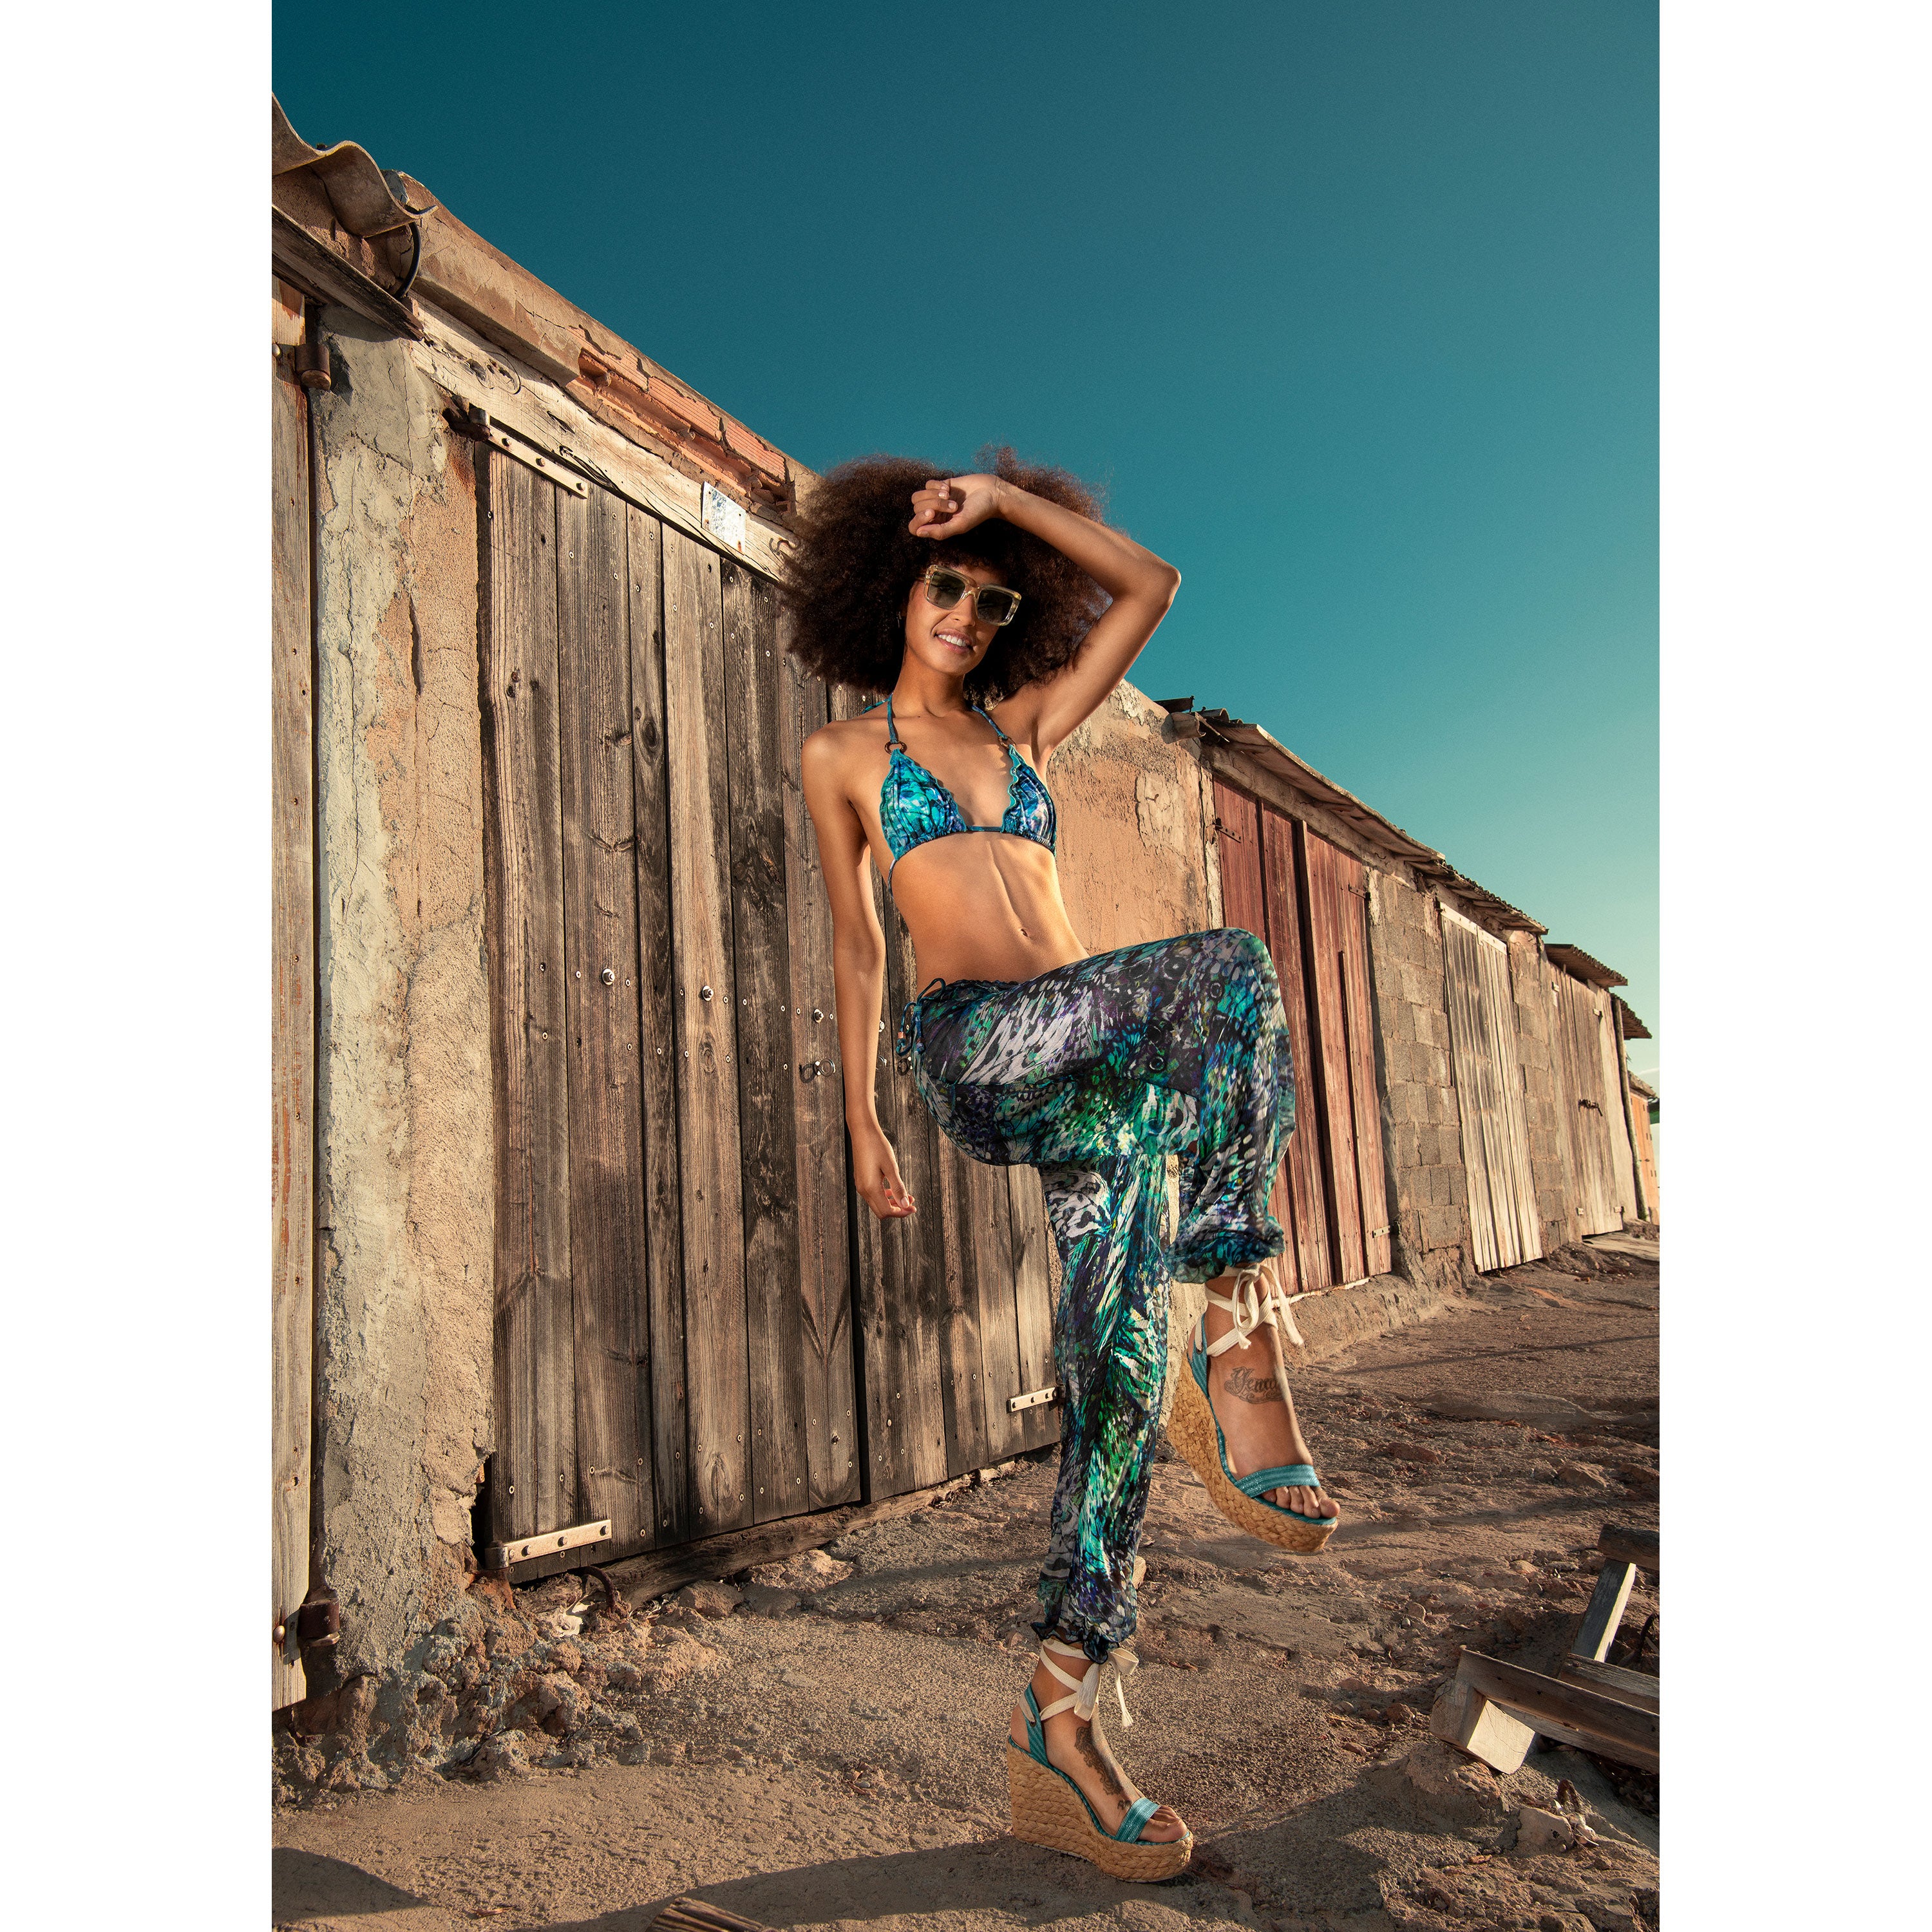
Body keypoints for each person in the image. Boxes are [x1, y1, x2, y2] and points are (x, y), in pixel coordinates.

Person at [784, 449, 1340, 1882]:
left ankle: (1062, 1712)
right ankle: (1240, 1326)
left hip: (1094, 1075)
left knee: (1115, 1379)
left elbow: (1152, 584)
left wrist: (1002, 503)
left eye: (992, 598)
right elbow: (858, 947)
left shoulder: (1027, 730)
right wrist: (860, 1115)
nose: (966, 613)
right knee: (1231, 970)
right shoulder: (844, 755)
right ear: (892, 588)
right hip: (978, 1043)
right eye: (944, 585)